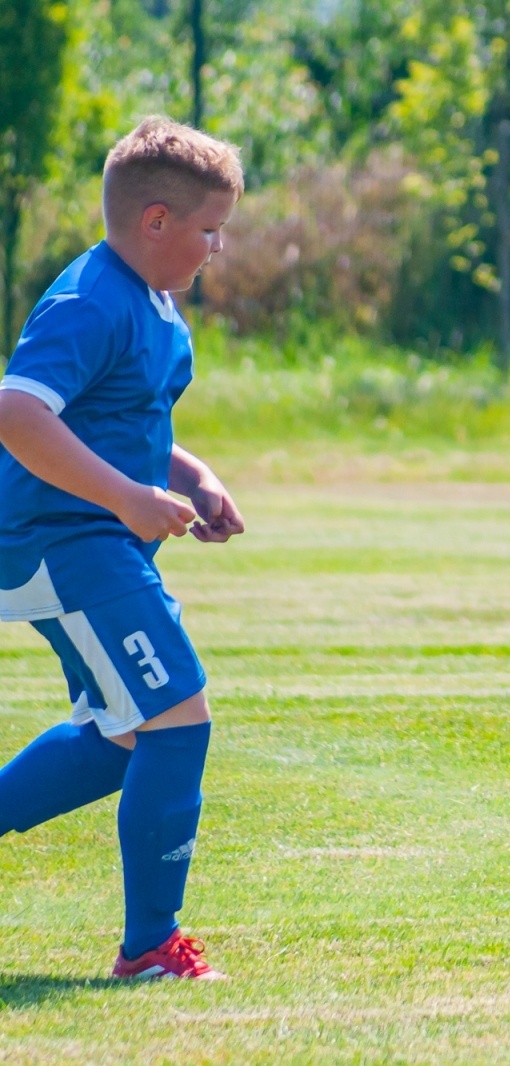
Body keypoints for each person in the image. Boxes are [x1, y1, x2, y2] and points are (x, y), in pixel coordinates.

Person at [0, 117, 245, 980]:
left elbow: (119, 414)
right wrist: (130, 499)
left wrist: (189, 471)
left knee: (127, 736)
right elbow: (19, 413)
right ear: (154, 221)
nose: (217, 246)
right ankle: (149, 949)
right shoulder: (90, 298)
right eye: (209, 228)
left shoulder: (152, 298)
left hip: (95, 538)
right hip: (61, 542)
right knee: (177, 715)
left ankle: (149, 943)